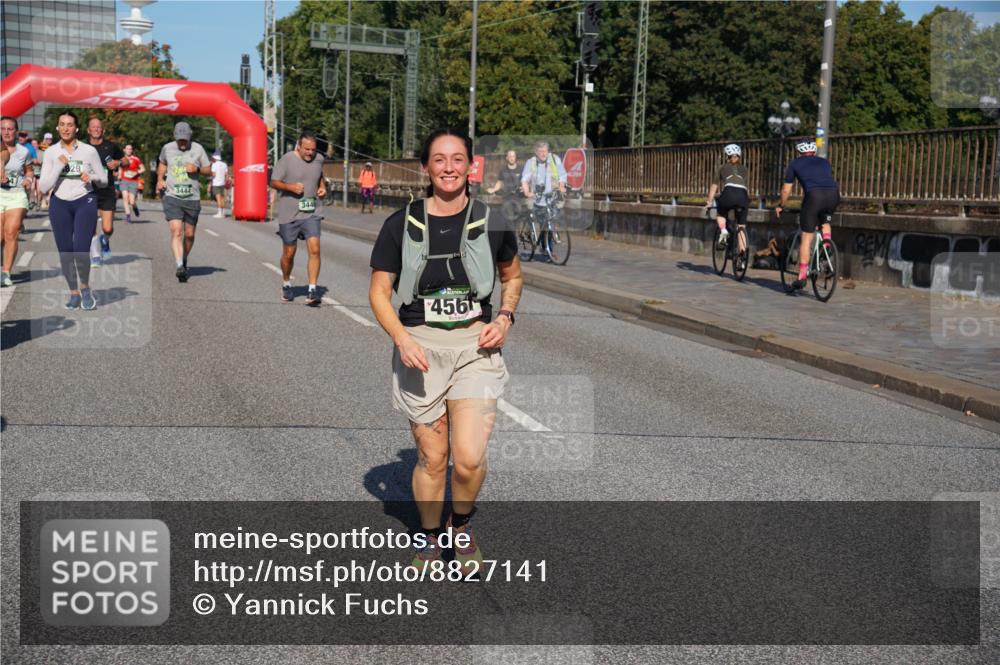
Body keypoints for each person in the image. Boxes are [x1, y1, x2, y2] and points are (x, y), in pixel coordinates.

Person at [369, 128, 523, 576]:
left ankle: (462, 523)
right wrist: (402, 337)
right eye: (440, 159)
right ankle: (432, 535)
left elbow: (512, 277)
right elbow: (380, 292)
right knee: (433, 458)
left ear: (470, 166)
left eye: (458, 159)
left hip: (476, 347)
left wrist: (505, 319)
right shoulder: (401, 223)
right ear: (426, 167)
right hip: (422, 348)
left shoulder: (491, 220)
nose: (449, 167)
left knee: (469, 456)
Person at [38, 111, 107, 310]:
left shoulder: (88, 151)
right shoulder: (51, 152)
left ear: (76, 128)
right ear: (57, 128)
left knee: (80, 249)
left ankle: (85, 288)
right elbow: (43, 188)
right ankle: (74, 293)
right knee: (65, 251)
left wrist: (92, 178)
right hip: (59, 203)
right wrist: (59, 167)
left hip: (84, 200)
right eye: (62, 124)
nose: (66, 128)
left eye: (70, 125)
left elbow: (103, 180)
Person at [270, 130, 327, 306]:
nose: (310, 153)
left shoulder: (319, 159)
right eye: (307, 149)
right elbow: (273, 181)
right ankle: (286, 283)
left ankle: (312, 289)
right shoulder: (286, 159)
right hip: (289, 214)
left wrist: (323, 187)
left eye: (313, 149)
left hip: (312, 212)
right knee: (289, 252)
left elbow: (319, 177)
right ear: (299, 146)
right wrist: (290, 187)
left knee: (315, 248)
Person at [776, 141, 840, 290]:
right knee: (824, 220)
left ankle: (802, 275)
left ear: (799, 153)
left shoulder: (795, 164)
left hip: (814, 198)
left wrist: (781, 205)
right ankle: (826, 245)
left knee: (807, 236)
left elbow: (786, 190)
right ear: (814, 152)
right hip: (833, 196)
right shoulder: (824, 162)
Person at [157, 121, 212, 282]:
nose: (182, 142)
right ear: (175, 137)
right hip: (172, 196)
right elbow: (162, 163)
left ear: (189, 137)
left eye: (185, 139)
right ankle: (179, 265)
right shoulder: (167, 148)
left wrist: (198, 169)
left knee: (189, 235)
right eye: (180, 139)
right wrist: (160, 179)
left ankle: (184, 257)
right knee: (176, 231)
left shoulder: (198, 149)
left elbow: (209, 171)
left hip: (192, 198)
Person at [1, 117, 35, 287]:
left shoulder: (23, 152)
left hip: (16, 195)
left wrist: (28, 180)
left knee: (11, 232)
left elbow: (29, 171)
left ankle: (6, 272)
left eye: (10, 129)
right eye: (3, 128)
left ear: (16, 131)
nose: (6, 132)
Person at [85, 117, 124, 266]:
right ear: (88, 130)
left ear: (103, 130)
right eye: (93, 127)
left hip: (107, 190)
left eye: (99, 127)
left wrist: (118, 162)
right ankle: (95, 255)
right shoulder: (82, 147)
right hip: (87, 190)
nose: (96, 129)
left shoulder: (111, 146)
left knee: (108, 228)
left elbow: (125, 160)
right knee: (90, 225)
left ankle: (105, 239)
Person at [705, 143, 749, 268]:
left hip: (728, 193)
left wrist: (709, 202)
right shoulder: (745, 169)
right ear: (739, 156)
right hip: (743, 196)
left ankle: (723, 231)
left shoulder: (722, 168)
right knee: (741, 227)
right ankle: (742, 259)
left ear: (727, 156)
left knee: (721, 213)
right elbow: (744, 186)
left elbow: (714, 186)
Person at [521, 140, 567, 256]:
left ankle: (547, 250)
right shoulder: (530, 162)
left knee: (550, 223)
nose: (543, 154)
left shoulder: (554, 160)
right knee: (544, 224)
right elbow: (524, 179)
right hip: (537, 198)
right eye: (540, 151)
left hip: (552, 197)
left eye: (545, 151)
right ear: (536, 152)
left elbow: (562, 175)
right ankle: (547, 250)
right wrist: (527, 192)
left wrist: (561, 186)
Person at [117, 144, 145, 223]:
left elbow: (143, 169)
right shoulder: (122, 159)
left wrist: (136, 172)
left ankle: (135, 208)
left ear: (132, 151)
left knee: (132, 201)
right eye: (127, 149)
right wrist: (119, 175)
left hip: (133, 181)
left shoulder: (136, 159)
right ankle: (128, 217)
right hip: (124, 180)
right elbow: (120, 168)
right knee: (125, 198)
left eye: (130, 149)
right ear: (124, 150)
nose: (129, 150)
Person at [210, 152, 228, 218]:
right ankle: (223, 213)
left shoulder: (214, 165)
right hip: (222, 183)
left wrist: (210, 175)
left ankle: (219, 213)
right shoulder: (224, 164)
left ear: (214, 158)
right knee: (222, 198)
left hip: (216, 183)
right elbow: (226, 174)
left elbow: (213, 174)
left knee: (218, 198)